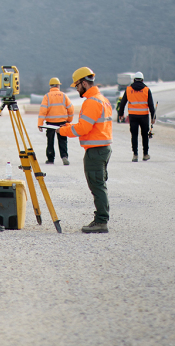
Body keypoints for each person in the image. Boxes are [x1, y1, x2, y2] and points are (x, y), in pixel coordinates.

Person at [58, 67, 113, 233]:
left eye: (77, 85)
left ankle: (101, 221)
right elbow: (89, 126)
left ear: (83, 83)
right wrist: (69, 126)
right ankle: (101, 219)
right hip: (103, 148)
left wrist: (63, 131)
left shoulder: (91, 102)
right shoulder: (102, 99)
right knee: (99, 184)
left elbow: (83, 128)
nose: (77, 89)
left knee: (97, 186)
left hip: (96, 150)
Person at [117, 72, 156, 161]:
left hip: (133, 116)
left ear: (134, 79)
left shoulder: (128, 90)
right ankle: (145, 154)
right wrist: (153, 117)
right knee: (145, 135)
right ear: (142, 80)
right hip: (144, 117)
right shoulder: (146, 90)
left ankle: (135, 155)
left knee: (134, 135)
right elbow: (151, 105)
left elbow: (122, 103)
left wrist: (120, 114)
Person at [37, 77, 74, 165]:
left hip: (50, 124)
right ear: (58, 85)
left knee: (50, 141)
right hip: (62, 123)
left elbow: (43, 111)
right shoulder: (64, 96)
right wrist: (69, 120)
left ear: (50, 86)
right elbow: (71, 109)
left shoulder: (47, 96)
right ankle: (64, 157)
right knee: (63, 141)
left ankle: (50, 159)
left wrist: (40, 124)